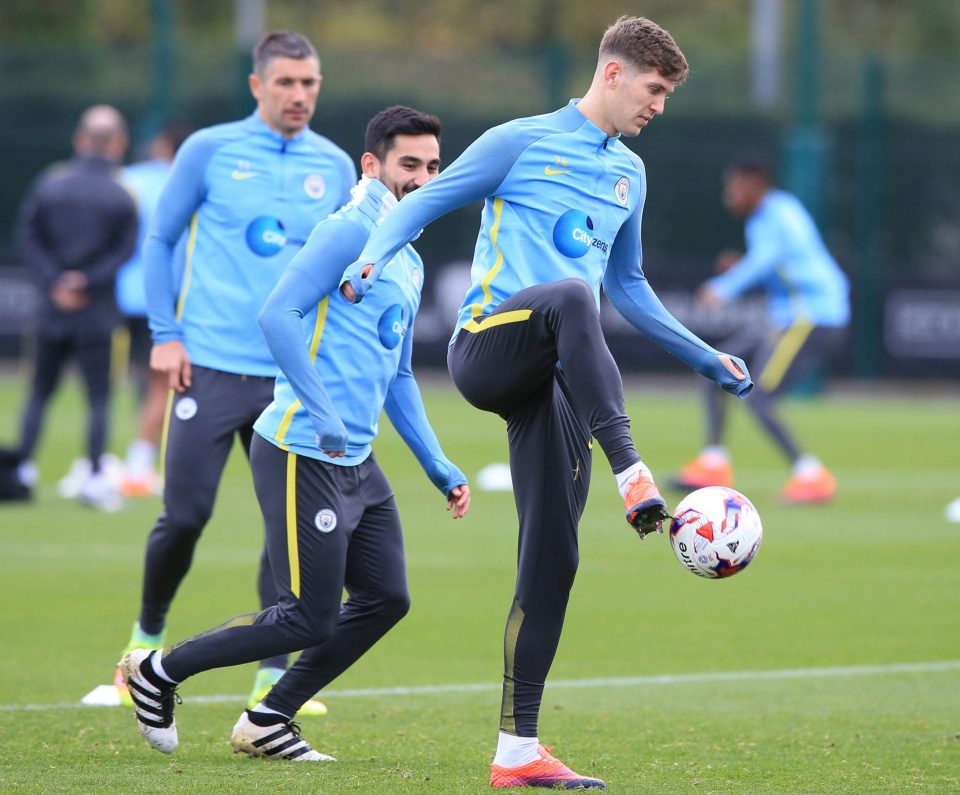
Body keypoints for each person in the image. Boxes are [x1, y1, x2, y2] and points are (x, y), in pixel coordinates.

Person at [340, 16, 751, 790]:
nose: (658, 107)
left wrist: (704, 355)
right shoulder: (519, 140)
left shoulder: (630, 173)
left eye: (666, 95)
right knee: (568, 296)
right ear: (613, 73)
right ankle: (634, 468)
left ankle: (517, 750)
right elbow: (422, 205)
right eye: (653, 90)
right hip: (489, 350)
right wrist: (369, 257)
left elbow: (628, 287)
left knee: (553, 562)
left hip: (559, 382)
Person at [120, 105, 470, 761]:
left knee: (386, 597)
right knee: (307, 613)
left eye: (432, 165)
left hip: (357, 462)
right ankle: (157, 670)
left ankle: (267, 717)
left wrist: (437, 462)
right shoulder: (346, 233)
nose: (424, 177)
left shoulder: (408, 254)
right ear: (372, 165)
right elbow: (276, 316)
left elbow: (397, 376)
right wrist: (325, 412)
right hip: (300, 449)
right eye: (409, 165)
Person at [115, 31, 357, 716]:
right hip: (210, 368)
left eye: (309, 83)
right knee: (184, 515)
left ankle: (270, 677)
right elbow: (160, 241)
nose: (299, 95)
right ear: (258, 85)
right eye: (286, 83)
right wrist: (165, 336)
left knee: (287, 536)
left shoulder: (335, 166)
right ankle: (143, 640)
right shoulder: (210, 150)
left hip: (290, 382)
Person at [675, 153, 850, 504]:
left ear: (754, 184)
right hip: (788, 317)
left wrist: (725, 286)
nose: (730, 194)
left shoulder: (779, 214)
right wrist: (741, 267)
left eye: (734, 186)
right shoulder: (764, 218)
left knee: (758, 398)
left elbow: (767, 260)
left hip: (812, 317)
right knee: (715, 367)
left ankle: (811, 475)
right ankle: (713, 463)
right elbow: (779, 264)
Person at [14, 104, 137, 511]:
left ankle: (22, 469)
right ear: (118, 143)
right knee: (99, 397)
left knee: (39, 392)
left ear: (80, 140)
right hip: (98, 312)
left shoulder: (51, 184)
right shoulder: (122, 193)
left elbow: (27, 237)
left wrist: (56, 280)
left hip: (51, 309)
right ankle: (96, 477)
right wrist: (86, 281)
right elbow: (125, 250)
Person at [115, 125, 191, 498]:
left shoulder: (127, 178)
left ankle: (100, 462)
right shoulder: (183, 182)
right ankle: (138, 466)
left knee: (131, 379)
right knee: (161, 384)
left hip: (118, 292)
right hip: (162, 295)